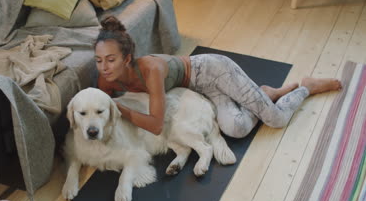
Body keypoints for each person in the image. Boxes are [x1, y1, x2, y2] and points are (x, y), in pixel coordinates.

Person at [94, 16, 342, 138]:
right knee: (236, 129)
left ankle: (307, 87)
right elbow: (97, 111)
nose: (104, 67)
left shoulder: (151, 69)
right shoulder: (105, 80)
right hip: (201, 92)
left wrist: (118, 108)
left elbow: (156, 126)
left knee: (276, 119)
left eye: (111, 59)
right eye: (99, 60)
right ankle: (265, 93)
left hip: (213, 70)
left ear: (126, 59)